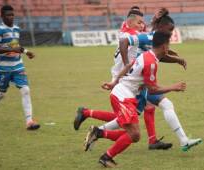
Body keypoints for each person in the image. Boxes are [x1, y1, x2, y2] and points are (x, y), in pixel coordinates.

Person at [74, 8, 173, 150]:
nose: (142, 25)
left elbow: (145, 34)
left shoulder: (127, 28)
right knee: (126, 123)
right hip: (125, 78)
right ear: (131, 21)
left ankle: (152, 141)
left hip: (125, 76)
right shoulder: (131, 34)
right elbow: (150, 37)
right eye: (139, 22)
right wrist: (155, 22)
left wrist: (153, 21)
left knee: (147, 108)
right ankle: (96, 128)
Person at [86, 31, 185, 167]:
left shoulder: (146, 55)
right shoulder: (151, 63)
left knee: (134, 134)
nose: (169, 48)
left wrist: (114, 82)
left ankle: (100, 134)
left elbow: (129, 66)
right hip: (122, 97)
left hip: (123, 95)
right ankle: (106, 156)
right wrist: (173, 87)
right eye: (168, 45)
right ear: (163, 47)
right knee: (134, 134)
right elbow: (152, 90)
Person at [0, 5, 40, 130]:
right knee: (2, 92)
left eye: (12, 15)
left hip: (17, 66)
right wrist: (11, 49)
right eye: (8, 15)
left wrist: (26, 51)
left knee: (25, 90)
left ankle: (29, 121)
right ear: (2, 16)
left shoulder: (16, 29)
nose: (11, 17)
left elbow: (15, 45)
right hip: (4, 68)